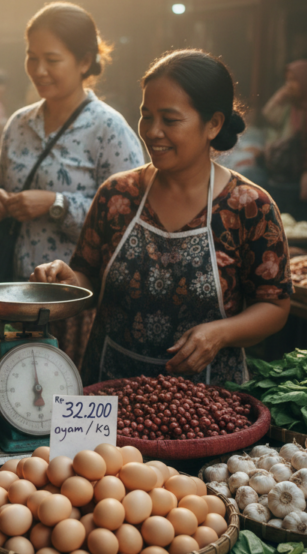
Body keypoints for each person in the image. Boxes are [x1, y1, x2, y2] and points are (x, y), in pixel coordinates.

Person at [31, 49, 292, 387]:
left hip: (207, 398)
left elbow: (274, 306)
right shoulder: (118, 195)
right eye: (146, 116)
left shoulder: (249, 207)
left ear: (213, 124)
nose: (152, 132)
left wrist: (221, 333)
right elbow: (88, 278)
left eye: (170, 120)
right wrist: (68, 281)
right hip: (109, 386)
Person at [0, 2, 144, 366]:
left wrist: (56, 203)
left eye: (52, 60)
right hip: (18, 298)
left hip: (77, 305)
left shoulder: (109, 129)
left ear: (84, 61)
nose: (38, 70)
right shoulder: (18, 124)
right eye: (31, 57)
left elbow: (133, 220)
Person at [260, 60, 307, 203]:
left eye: (293, 80)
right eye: (287, 80)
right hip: (285, 169)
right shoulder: (292, 106)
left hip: (306, 175)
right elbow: (269, 115)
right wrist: (280, 97)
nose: (288, 85)